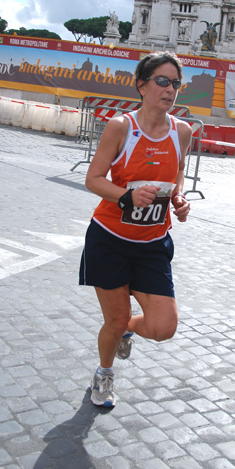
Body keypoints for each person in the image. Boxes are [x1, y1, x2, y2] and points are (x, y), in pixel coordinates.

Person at [79, 51, 192, 407]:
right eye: (162, 81)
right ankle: (104, 375)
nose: (170, 89)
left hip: (152, 243)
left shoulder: (183, 132)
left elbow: (177, 174)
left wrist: (179, 198)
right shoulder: (121, 127)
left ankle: (130, 327)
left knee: (163, 328)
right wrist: (127, 196)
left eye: (175, 83)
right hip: (109, 239)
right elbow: (93, 179)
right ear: (141, 86)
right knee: (113, 321)